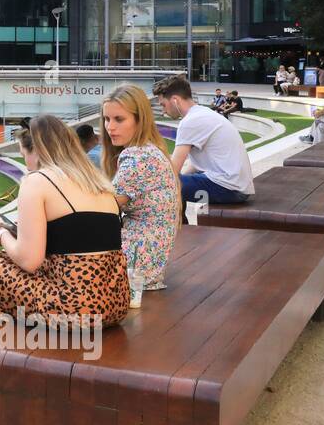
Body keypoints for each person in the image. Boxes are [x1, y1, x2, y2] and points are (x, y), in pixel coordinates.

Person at [0, 115, 129, 332]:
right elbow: (75, 239)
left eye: (24, 155)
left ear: (38, 150)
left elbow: (29, 261)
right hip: (115, 305)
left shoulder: (38, 181)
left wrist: (1, 231)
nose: (25, 164)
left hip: (74, 310)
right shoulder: (97, 181)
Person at [101, 84, 180, 294]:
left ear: (140, 120)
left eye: (119, 119)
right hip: (143, 259)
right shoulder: (148, 150)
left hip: (135, 265)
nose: (110, 127)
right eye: (107, 119)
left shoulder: (139, 157)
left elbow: (103, 207)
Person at [154, 75, 253, 206]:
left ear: (175, 100)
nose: (163, 111)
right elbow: (196, 164)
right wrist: (183, 178)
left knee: (161, 185)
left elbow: (172, 171)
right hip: (238, 186)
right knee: (175, 182)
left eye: (163, 105)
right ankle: (182, 224)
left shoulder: (190, 121)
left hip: (229, 188)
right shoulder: (202, 113)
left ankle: (177, 226)